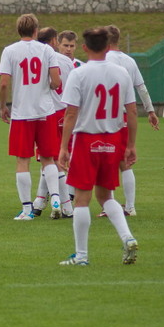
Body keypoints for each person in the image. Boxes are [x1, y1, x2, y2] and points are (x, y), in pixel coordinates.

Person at [58, 27, 138, 266]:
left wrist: (64, 147)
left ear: (84, 47)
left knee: (81, 200)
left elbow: (71, 113)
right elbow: (132, 111)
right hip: (112, 140)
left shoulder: (79, 73)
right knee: (105, 196)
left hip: (86, 140)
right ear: (108, 46)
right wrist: (131, 144)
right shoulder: (121, 73)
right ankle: (128, 237)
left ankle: (81, 256)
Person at [0, 14, 61, 220]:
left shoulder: (10, 51)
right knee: (48, 158)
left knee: (22, 160)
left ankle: (26, 210)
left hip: (22, 113)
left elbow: (4, 83)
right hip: (45, 112)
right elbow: (56, 81)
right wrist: (47, 86)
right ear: (36, 30)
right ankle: (56, 199)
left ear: (19, 30)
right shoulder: (47, 50)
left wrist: (3, 106)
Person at [101, 24, 159, 217]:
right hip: (125, 116)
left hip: (106, 116)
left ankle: (108, 207)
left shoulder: (103, 60)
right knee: (124, 161)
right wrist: (150, 111)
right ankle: (130, 207)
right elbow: (141, 88)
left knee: (106, 161)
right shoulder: (129, 61)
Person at [33, 27, 75, 218]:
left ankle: (63, 204)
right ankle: (41, 201)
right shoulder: (67, 62)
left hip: (46, 113)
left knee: (49, 160)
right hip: (65, 113)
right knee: (53, 160)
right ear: (54, 41)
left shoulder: (38, 59)